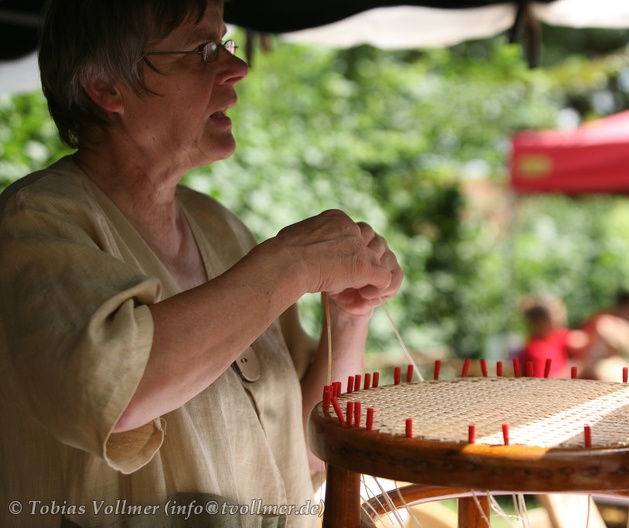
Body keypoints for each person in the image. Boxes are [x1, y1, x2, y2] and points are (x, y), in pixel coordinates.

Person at [0, 1, 402, 527]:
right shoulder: (35, 224)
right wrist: (289, 266)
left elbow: (303, 456)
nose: (237, 68)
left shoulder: (220, 227)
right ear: (106, 87)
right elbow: (117, 392)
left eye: (224, 43)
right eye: (201, 50)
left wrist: (348, 319)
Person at [519, 293, 573, 378]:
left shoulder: (557, 336)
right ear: (540, 320)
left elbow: (582, 339)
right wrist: (582, 367)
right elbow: (546, 385)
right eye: (557, 313)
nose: (563, 316)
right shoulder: (536, 349)